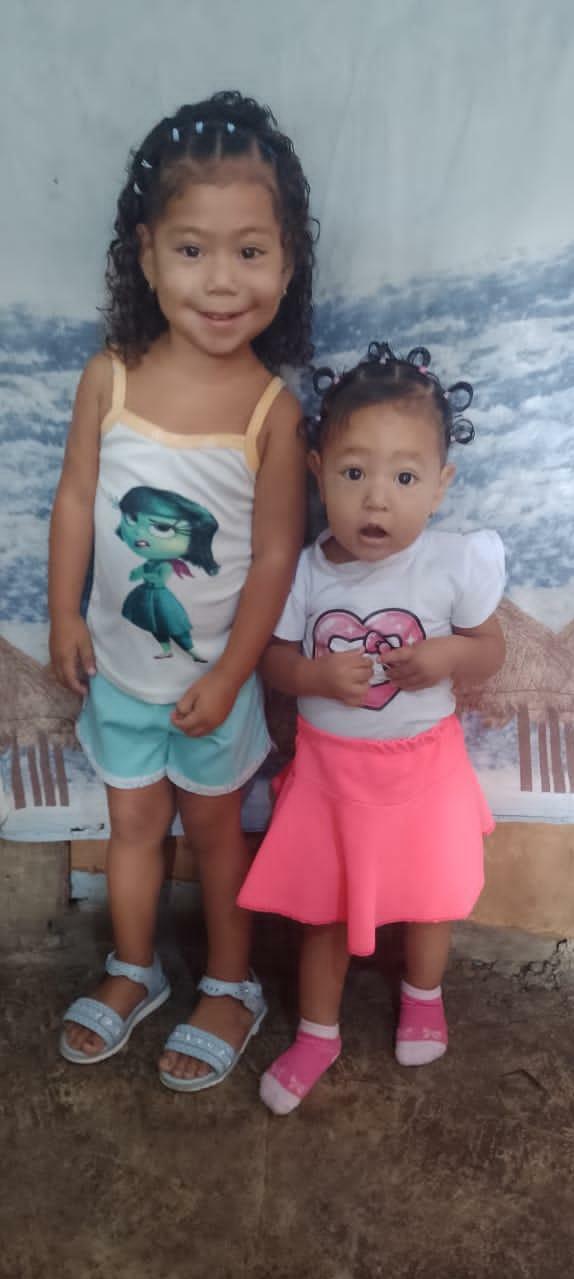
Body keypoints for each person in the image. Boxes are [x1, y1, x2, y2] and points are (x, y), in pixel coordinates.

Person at [49, 90, 314, 1091]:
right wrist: (63, 611)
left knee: (213, 830)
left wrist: (235, 672)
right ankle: (134, 969)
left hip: (217, 685)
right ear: (148, 254)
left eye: (251, 251)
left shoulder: (271, 412)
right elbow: (76, 500)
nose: (222, 280)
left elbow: (277, 558)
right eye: (193, 249)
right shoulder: (108, 379)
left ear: (288, 261)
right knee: (130, 827)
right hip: (120, 675)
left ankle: (231, 984)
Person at [238, 341, 506, 1114]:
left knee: (430, 899)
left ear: (441, 484)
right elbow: (272, 660)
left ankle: (423, 994)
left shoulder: (453, 563)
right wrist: (315, 677)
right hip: (332, 778)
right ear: (318, 470)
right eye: (354, 474)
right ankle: (317, 1031)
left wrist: (449, 654)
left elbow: (490, 651)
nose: (377, 501)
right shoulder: (304, 571)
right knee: (322, 911)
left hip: (425, 773)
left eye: (405, 478)